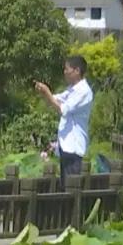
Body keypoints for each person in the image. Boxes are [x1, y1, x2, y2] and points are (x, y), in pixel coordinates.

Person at [35, 56, 93, 189]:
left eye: (67, 69)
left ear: (77, 70)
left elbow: (62, 109)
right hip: (66, 144)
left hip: (74, 144)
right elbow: (56, 99)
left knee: (71, 188)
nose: (65, 72)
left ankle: (73, 210)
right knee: (65, 185)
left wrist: (47, 92)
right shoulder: (72, 89)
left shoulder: (83, 91)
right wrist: (44, 93)